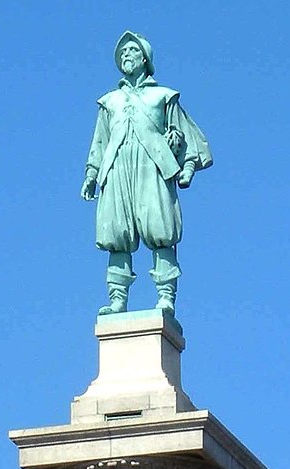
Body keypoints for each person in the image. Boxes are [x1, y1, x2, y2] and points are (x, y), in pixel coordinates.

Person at [81, 31, 213, 316]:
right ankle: (118, 299)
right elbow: (99, 142)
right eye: (122, 52)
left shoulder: (162, 97)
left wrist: (185, 165)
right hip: (117, 169)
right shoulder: (110, 102)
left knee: (161, 230)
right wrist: (92, 174)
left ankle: (166, 296)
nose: (126, 55)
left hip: (151, 168)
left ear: (145, 58)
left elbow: (186, 136)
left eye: (131, 50)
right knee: (116, 233)